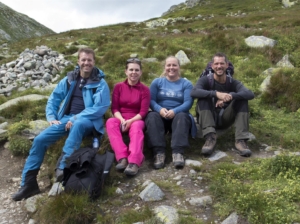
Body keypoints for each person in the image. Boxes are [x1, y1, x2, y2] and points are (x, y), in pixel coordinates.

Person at [12, 48, 111, 201]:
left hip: (88, 120)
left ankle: (63, 165)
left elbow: (100, 108)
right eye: (83, 60)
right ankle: (29, 184)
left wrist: (76, 117)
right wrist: (51, 116)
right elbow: (55, 97)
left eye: (89, 60)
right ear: (78, 61)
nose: (86, 63)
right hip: (66, 119)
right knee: (39, 140)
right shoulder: (70, 78)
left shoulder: (100, 82)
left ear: (94, 62)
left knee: (77, 125)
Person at [191, 52, 254, 157]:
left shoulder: (232, 82)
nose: (219, 66)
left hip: (225, 117)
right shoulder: (206, 80)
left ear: (227, 65)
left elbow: (249, 94)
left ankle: (240, 141)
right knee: (203, 99)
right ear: (212, 66)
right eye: (216, 64)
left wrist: (230, 96)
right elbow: (194, 92)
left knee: (242, 100)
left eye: (222, 63)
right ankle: (210, 138)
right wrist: (216, 94)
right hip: (208, 117)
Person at [145, 56, 196, 169]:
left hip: (178, 115)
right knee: (152, 116)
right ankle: (159, 153)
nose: (171, 68)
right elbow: (151, 100)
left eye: (174, 65)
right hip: (160, 115)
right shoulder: (157, 82)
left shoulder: (186, 84)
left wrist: (175, 111)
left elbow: (188, 103)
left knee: (182, 116)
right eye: (168, 65)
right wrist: (159, 109)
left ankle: (178, 153)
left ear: (179, 67)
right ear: (165, 67)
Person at [106, 58, 150, 176]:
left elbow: (143, 112)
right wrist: (121, 120)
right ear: (126, 71)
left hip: (137, 119)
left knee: (136, 127)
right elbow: (114, 108)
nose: (133, 72)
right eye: (131, 69)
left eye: (137, 70)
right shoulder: (118, 87)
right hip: (120, 117)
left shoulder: (145, 89)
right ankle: (122, 157)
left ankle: (134, 161)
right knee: (110, 122)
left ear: (141, 72)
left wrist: (130, 121)